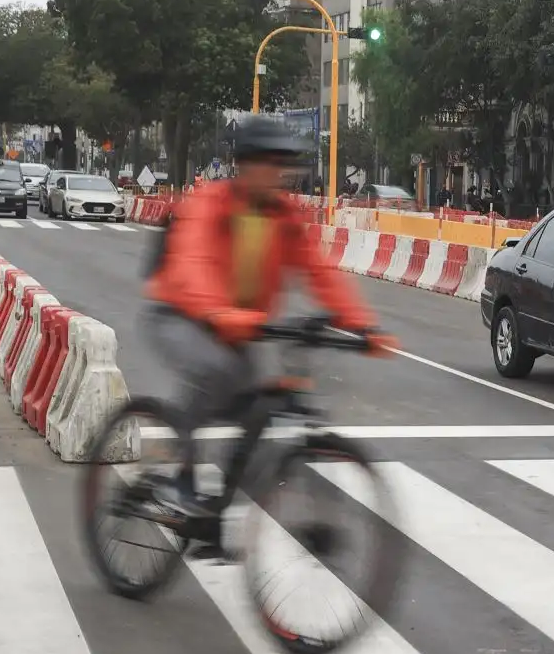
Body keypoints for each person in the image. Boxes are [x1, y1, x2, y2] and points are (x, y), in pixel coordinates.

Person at [144, 116, 386, 525]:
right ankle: (179, 480)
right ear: (244, 164)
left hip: (241, 326)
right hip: (181, 313)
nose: (279, 173)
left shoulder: (284, 215)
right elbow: (193, 261)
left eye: (284, 163)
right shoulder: (211, 202)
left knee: (259, 403)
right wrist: (217, 311)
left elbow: (319, 271)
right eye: (269, 162)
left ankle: (213, 516)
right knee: (213, 370)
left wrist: (362, 326)